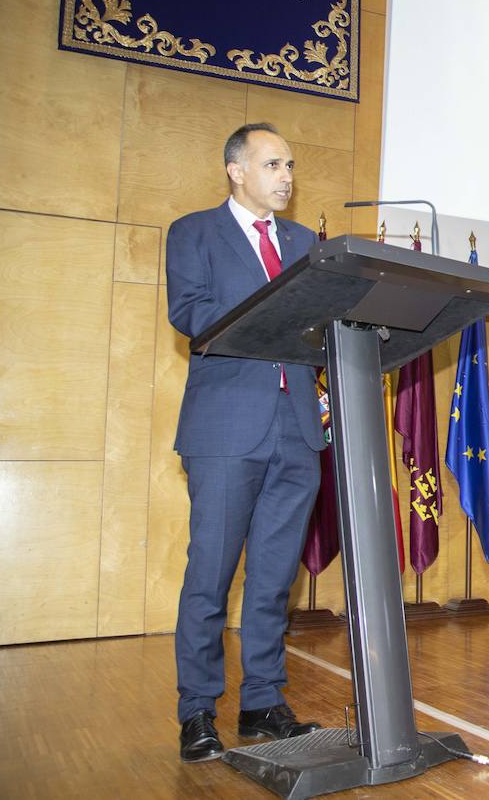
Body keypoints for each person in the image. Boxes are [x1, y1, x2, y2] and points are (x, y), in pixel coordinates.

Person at [166, 124, 323, 763]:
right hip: (227, 427)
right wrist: (276, 315)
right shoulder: (194, 233)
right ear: (236, 170)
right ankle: (197, 710)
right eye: (272, 164)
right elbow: (191, 313)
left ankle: (262, 701)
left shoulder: (306, 243)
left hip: (297, 428)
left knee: (274, 578)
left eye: (290, 165)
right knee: (211, 573)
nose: (286, 176)